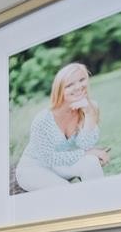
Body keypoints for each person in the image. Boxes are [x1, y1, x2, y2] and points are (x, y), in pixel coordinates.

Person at [14, 63, 111, 192]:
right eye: (69, 85)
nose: (78, 87)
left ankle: (100, 198)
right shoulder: (43, 119)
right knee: (65, 190)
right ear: (59, 90)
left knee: (91, 162)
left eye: (82, 80)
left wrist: (88, 114)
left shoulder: (90, 107)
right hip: (34, 169)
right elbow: (49, 158)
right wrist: (85, 153)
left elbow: (85, 144)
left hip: (62, 166)